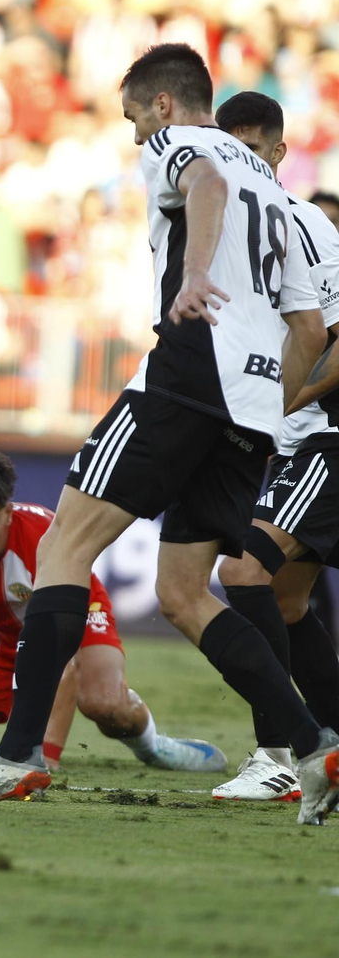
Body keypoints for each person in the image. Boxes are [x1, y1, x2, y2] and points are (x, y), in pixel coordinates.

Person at [0, 43, 339, 825]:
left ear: (161, 104)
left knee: (63, 548)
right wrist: (268, 407)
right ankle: (314, 747)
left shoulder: (179, 143)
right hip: (252, 409)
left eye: (131, 118)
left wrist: (195, 273)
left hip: (186, 376)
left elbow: (206, 182)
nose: (133, 137)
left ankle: (18, 755)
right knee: (183, 593)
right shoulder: (279, 193)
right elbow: (310, 328)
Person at [0, 449, 224, 772]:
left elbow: (59, 655)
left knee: (105, 703)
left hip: (78, 623)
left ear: (8, 512)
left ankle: (153, 745)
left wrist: (43, 759)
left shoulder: (43, 538)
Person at [210, 92, 339, 801]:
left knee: (243, 572)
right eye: (229, 150)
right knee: (287, 602)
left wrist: (277, 405)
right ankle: (330, 746)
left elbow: (335, 339)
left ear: (280, 153)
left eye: (254, 150)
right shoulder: (223, 226)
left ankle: (279, 754)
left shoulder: (305, 224)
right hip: (287, 438)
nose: (241, 163)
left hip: (323, 436)